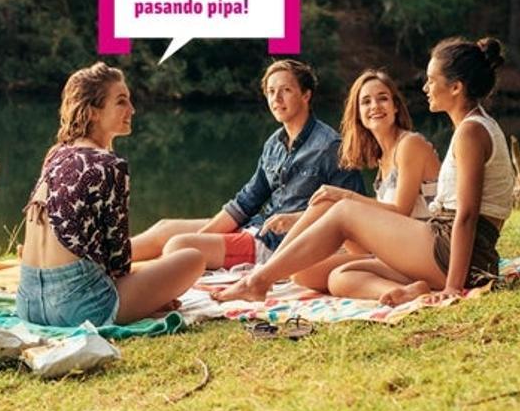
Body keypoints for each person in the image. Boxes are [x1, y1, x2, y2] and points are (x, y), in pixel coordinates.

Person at [213, 37, 514, 305]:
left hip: (455, 252)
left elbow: (466, 216)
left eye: (432, 80)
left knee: (344, 210)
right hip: (446, 249)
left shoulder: (471, 132)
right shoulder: (474, 127)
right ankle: (412, 291)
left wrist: (453, 287)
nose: (425, 87)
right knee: (340, 276)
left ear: (456, 87)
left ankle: (257, 281)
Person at [16, 62, 204, 327]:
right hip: (78, 310)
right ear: (93, 112)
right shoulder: (108, 164)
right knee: (193, 259)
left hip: (28, 302)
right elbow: (118, 263)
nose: (132, 110)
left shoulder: (56, 154)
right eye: (121, 101)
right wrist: (149, 295)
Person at [131, 59, 365, 269]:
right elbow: (247, 201)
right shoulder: (274, 143)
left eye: (285, 90)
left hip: (279, 247)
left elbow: (350, 214)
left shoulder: (332, 146)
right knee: (165, 228)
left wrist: (296, 220)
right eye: (271, 92)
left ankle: (137, 281)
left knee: (179, 245)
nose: (276, 99)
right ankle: (106, 263)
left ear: (306, 95)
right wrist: (205, 236)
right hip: (256, 228)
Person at [282, 69, 441, 293]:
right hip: (397, 253)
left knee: (334, 202)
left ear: (395, 106)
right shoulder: (383, 159)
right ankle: (404, 291)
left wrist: (346, 197)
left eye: (382, 98)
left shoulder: (410, 145)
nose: (375, 106)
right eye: (366, 102)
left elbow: (400, 212)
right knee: (302, 273)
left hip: (426, 252)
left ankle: (262, 275)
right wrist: (301, 218)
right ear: (358, 113)